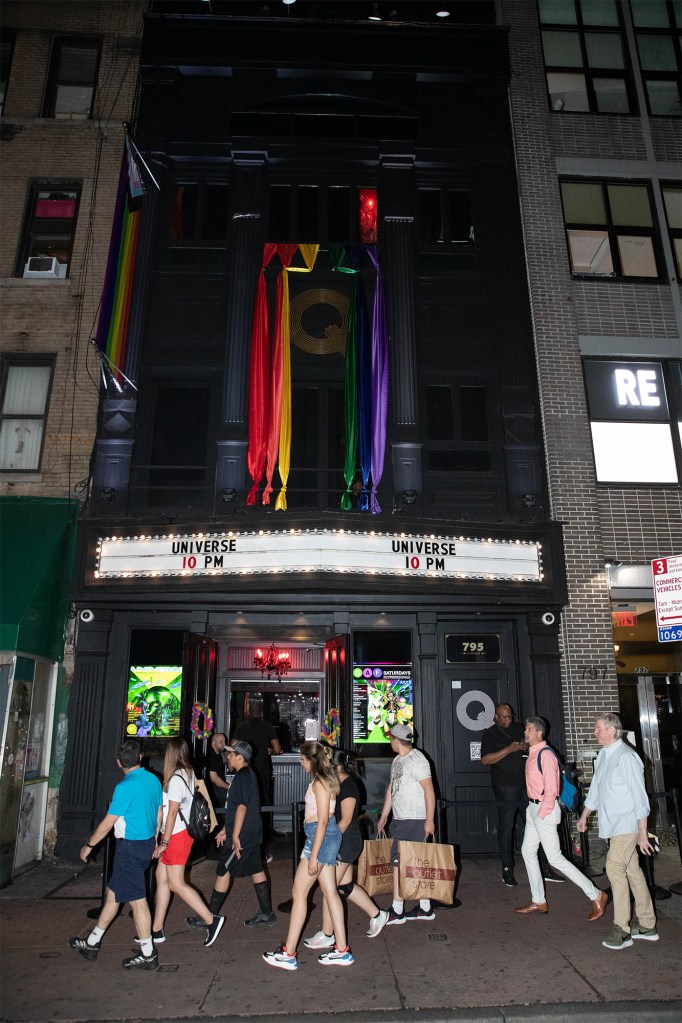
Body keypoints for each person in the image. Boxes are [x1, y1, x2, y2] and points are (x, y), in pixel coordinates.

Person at [68, 738, 163, 970]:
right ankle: (92, 943)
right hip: (145, 845)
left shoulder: (124, 787)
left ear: (118, 762)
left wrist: (89, 846)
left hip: (129, 848)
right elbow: (159, 812)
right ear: (141, 758)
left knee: (138, 902)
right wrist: (156, 839)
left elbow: (107, 824)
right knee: (113, 894)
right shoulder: (153, 779)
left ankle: (149, 955)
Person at [263, 740, 354, 970]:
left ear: (311, 760)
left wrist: (313, 856)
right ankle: (342, 950)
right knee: (330, 891)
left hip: (320, 838)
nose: (300, 762)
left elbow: (323, 820)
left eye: (302, 759)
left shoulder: (321, 782)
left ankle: (289, 953)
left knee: (299, 892)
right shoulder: (324, 780)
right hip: (324, 837)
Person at [576, 712, 658, 950]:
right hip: (614, 826)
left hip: (627, 825)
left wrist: (642, 832)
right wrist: (585, 815)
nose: (595, 732)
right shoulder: (603, 756)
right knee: (632, 871)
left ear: (612, 730)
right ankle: (646, 924)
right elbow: (597, 791)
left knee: (613, 868)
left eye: (598, 728)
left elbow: (639, 797)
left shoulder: (627, 757)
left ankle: (622, 929)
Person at [515, 717, 608, 921]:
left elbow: (552, 788)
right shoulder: (533, 753)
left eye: (529, 729)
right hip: (534, 808)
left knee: (555, 858)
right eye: (526, 729)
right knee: (527, 851)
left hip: (544, 810)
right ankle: (538, 900)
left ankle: (596, 894)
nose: (525, 732)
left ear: (540, 733)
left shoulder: (545, 754)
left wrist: (542, 812)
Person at [186, 739, 276, 929]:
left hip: (243, 834)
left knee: (223, 869)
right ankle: (267, 914)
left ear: (240, 757)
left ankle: (209, 917)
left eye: (231, 754)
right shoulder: (247, 774)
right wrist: (226, 830)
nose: (228, 756)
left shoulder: (243, 776)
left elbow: (242, 808)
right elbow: (238, 808)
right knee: (256, 869)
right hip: (250, 831)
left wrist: (234, 836)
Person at [303, 749, 388, 950]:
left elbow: (346, 819)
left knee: (328, 889)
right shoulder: (337, 782)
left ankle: (327, 934)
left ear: (337, 766)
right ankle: (378, 915)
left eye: (328, 763)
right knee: (345, 887)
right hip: (344, 842)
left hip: (345, 842)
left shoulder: (348, 785)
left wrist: (328, 841)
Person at [149, 737, 225, 948]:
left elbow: (172, 813)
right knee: (161, 878)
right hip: (177, 834)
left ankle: (211, 920)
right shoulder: (188, 773)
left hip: (176, 836)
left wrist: (163, 842)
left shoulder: (175, 779)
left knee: (176, 883)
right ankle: (156, 930)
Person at [481, 703, 565, 888]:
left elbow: (531, 744)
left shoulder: (519, 728)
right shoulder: (490, 734)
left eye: (509, 716)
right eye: (503, 716)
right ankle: (507, 870)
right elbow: (486, 760)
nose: (507, 719)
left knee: (535, 825)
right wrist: (509, 749)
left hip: (526, 786)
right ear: (495, 716)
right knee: (507, 827)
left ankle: (545, 868)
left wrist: (524, 746)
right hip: (504, 787)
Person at [377, 723, 436, 925]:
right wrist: (385, 815)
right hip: (403, 820)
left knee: (399, 864)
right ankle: (425, 908)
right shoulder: (397, 760)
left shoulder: (418, 760)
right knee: (416, 864)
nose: (389, 742)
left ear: (396, 740)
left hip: (415, 819)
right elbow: (392, 788)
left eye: (390, 739)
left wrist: (429, 821)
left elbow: (429, 791)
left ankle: (397, 909)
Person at [233, 699, 282, 857]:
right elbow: (277, 748)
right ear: (261, 712)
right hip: (262, 772)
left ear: (248, 710)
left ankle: (243, 840)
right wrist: (269, 751)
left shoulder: (241, 726)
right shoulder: (267, 726)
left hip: (244, 770)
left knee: (244, 804)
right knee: (264, 806)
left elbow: (232, 745)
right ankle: (263, 846)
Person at [206, 731, 230, 818]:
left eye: (224, 742)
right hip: (216, 790)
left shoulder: (216, 755)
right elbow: (214, 778)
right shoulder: (213, 757)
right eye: (221, 742)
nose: (224, 744)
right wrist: (228, 787)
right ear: (213, 743)